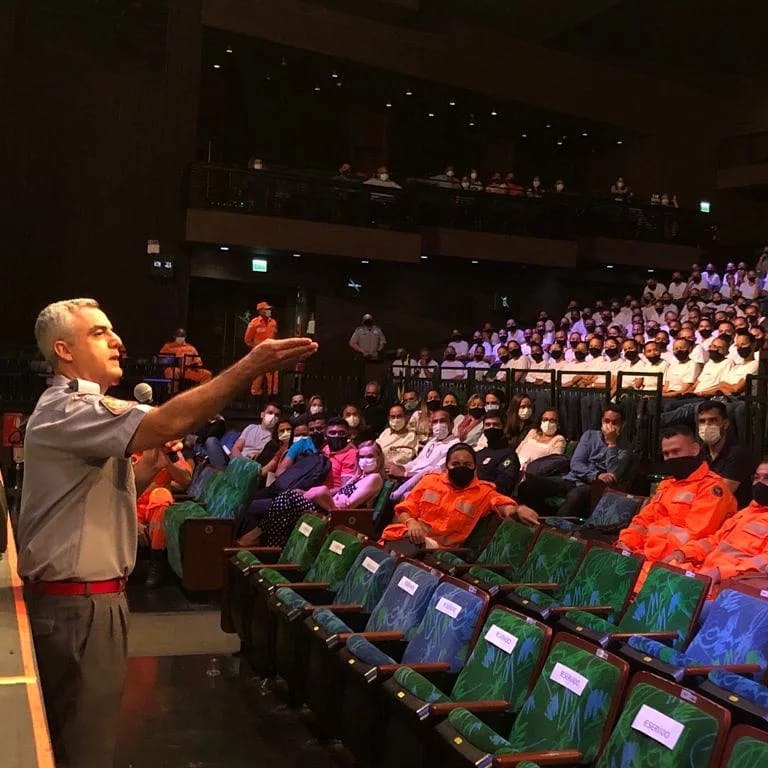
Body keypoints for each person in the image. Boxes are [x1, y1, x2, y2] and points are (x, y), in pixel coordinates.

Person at [18, 298, 316, 767]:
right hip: (77, 607)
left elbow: (111, 489)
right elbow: (168, 420)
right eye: (98, 333)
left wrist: (153, 460)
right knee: (82, 749)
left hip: (92, 602)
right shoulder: (69, 408)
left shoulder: (84, 410)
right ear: (64, 350)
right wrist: (251, 366)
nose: (116, 340)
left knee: (86, 739)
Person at [618, 425, 736, 583]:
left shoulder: (712, 488)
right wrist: (626, 542)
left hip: (680, 562)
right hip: (646, 556)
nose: (671, 458)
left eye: (676, 451)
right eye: (666, 454)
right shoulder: (667, 485)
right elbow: (642, 521)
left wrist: (645, 553)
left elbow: (694, 535)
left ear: (694, 450)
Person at [380, 443, 538, 552]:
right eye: (455, 464)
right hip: (409, 537)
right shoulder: (430, 480)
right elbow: (405, 509)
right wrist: (411, 522)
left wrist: (519, 509)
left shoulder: (484, 492)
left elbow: (505, 506)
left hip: (439, 553)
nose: (461, 467)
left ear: (474, 467)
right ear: (447, 465)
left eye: (467, 464)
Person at [251, 441, 385, 547]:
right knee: (289, 497)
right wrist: (309, 493)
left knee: (292, 498)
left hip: (340, 517)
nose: (365, 460)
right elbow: (339, 493)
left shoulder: (374, 478)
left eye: (370, 456)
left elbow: (348, 506)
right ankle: (270, 543)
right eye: (361, 456)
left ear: (379, 458)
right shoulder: (358, 476)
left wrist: (324, 495)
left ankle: (260, 538)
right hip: (329, 508)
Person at [668, 459, 768, 595]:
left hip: (734, 588)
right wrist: (684, 552)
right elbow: (714, 541)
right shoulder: (745, 513)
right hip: (705, 577)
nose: (759, 483)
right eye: (756, 478)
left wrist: (721, 572)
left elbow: (764, 562)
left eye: (766, 478)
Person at [516, 405, 631, 519]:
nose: (610, 426)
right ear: (601, 421)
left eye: (614, 422)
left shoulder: (625, 448)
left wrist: (612, 444)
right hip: (571, 478)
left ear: (622, 424)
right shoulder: (589, 436)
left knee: (577, 495)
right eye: (607, 421)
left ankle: (555, 527)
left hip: (592, 487)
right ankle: (537, 519)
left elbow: (613, 474)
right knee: (528, 486)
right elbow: (576, 464)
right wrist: (596, 474)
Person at [135, 445, 192, 588]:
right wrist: (133, 522)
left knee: (161, 495)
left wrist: (167, 462)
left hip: (155, 508)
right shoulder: (127, 453)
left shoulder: (170, 453)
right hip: (132, 505)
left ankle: (157, 563)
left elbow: (186, 481)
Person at [387, 409, 459, 500]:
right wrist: (401, 467)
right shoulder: (432, 441)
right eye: (435, 422)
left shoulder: (455, 445)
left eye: (442, 421)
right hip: (409, 478)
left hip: (426, 482)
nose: (438, 425)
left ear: (451, 424)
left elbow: (436, 470)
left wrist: (405, 473)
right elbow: (417, 462)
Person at [696, 400, 756, 508]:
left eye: (713, 420)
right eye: (702, 421)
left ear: (726, 423)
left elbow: (719, 495)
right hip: (703, 512)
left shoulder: (738, 454)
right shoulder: (699, 453)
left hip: (733, 517)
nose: (707, 426)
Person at [475, 413, 520, 495]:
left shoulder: (509, 456)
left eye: (496, 425)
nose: (491, 427)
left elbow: (503, 485)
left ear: (503, 427)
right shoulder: (478, 454)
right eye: (487, 425)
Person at [515, 407, 567, 473]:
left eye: (552, 420)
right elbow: (518, 450)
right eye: (545, 419)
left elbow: (554, 462)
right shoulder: (533, 432)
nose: (548, 423)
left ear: (558, 424)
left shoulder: (559, 439)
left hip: (531, 473)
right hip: (514, 467)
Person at [244, 301, 279, 397]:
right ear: (260, 311)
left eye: (270, 309)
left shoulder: (273, 322)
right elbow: (247, 340)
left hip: (271, 354)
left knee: (273, 378)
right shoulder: (254, 323)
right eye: (267, 309)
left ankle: (272, 398)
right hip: (258, 355)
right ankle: (255, 400)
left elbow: (275, 336)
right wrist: (257, 348)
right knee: (257, 379)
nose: (269, 311)